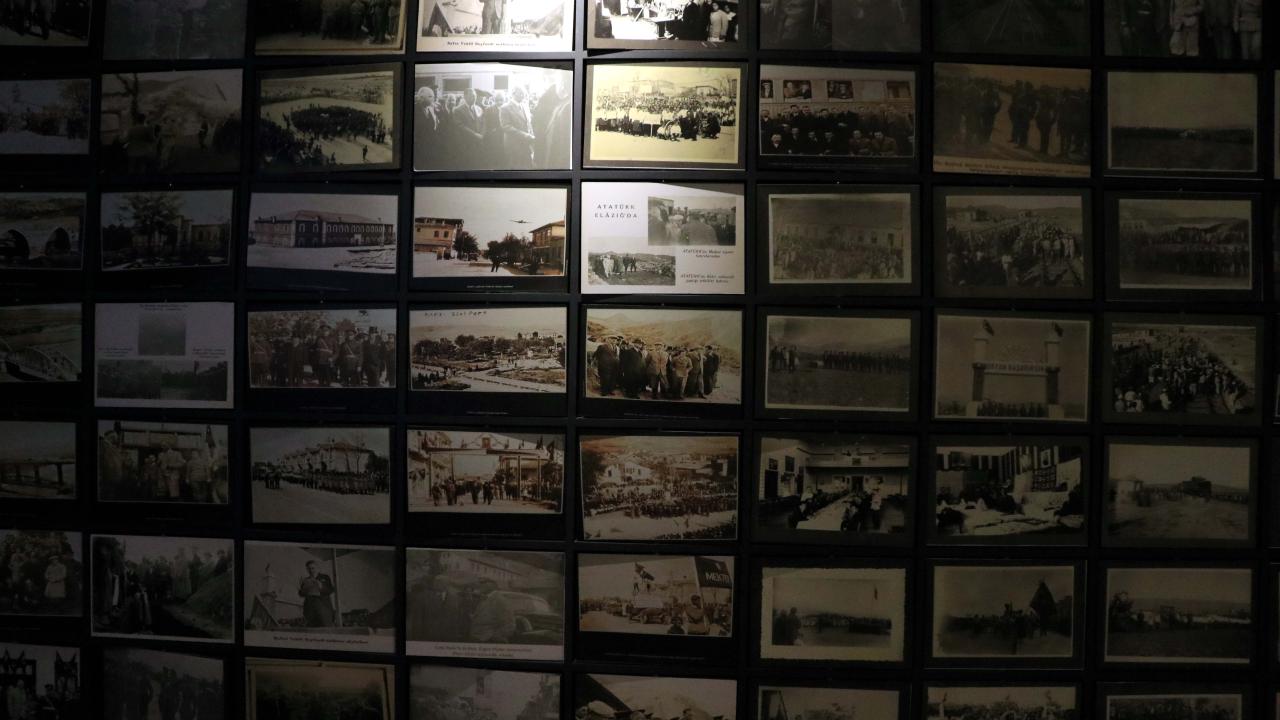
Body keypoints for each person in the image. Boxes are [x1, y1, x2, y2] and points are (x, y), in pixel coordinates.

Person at [469, 578, 517, 642]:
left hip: (488, 642)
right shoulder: (485, 598)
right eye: (479, 583)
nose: (479, 585)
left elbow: (509, 625)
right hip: (478, 639)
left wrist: (492, 638)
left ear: (492, 584)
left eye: (483, 582)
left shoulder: (500, 600)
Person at [500, 86, 536, 169]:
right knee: (516, 168)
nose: (522, 96)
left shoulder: (525, 106)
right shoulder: (505, 108)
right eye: (520, 93)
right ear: (513, 94)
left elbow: (528, 123)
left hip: (526, 144)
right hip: (514, 145)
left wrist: (531, 135)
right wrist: (525, 135)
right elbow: (506, 126)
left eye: (523, 94)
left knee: (528, 166)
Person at [298, 560, 336, 627]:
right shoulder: (306, 580)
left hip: (323, 609)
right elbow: (301, 594)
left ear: (317, 568)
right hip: (310, 610)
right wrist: (302, 590)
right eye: (309, 569)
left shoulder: (325, 577)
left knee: (325, 628)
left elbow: (331, 590)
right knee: (312, 629)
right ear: (307, 569)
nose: (311, 570)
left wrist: (321, 587)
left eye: (313, 568)